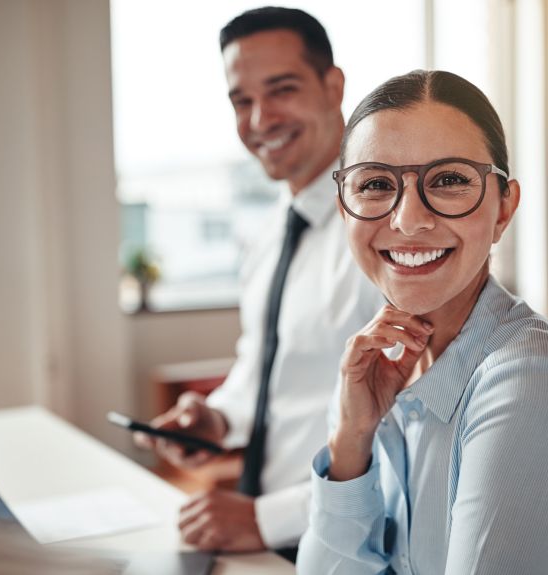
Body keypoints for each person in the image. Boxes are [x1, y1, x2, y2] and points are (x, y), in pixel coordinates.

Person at [297, 70, 548, 573]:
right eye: (376, 184)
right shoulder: (390, 374)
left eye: (448, 180)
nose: (407, 219)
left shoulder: (535, 380)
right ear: (344, 210)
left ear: (504, 208)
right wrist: (350, 441)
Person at [135, 7, 381, 559]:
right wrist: (217, 420)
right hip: (258, 536)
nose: (259, 119)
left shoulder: (386, 232)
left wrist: (267, 519)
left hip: (344, 542)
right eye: (241, 101)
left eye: (282, 89)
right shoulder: (268, 234)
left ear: (333, 86)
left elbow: (409, 430)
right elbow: (264, 369)